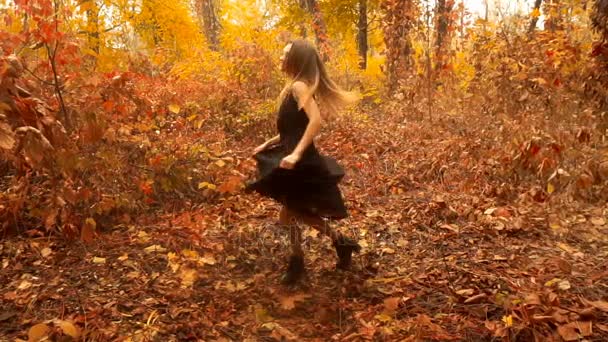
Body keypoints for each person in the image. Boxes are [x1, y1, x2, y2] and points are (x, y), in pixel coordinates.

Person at [246, 39, 361, 285]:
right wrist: (268, 143)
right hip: (294, 161)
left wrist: (296, 154)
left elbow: (315, 121)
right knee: (293, 214)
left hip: (302, 163)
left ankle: (302, 262)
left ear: (295, 60)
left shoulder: (299, 86)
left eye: (285, 54)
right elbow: (292, 128)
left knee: (291, 214)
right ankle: (336, 245)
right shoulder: (293, 87)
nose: (280, 58)